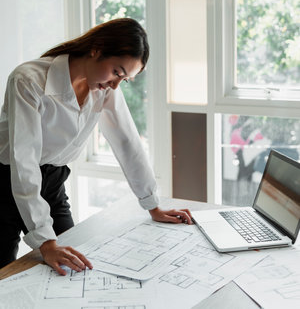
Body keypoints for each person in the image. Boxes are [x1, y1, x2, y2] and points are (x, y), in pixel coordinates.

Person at [0, 18, 192, 275]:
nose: (115, 84)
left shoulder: (104, 89)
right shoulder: (28, 79)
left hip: (53, 181)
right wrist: (45, 243)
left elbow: (127, 141)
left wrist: (152, 205)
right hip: (7, 182)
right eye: (116, 72)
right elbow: (24, 161)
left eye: (124, 79)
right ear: (97, 49)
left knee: (74, 267)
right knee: (4, 274)